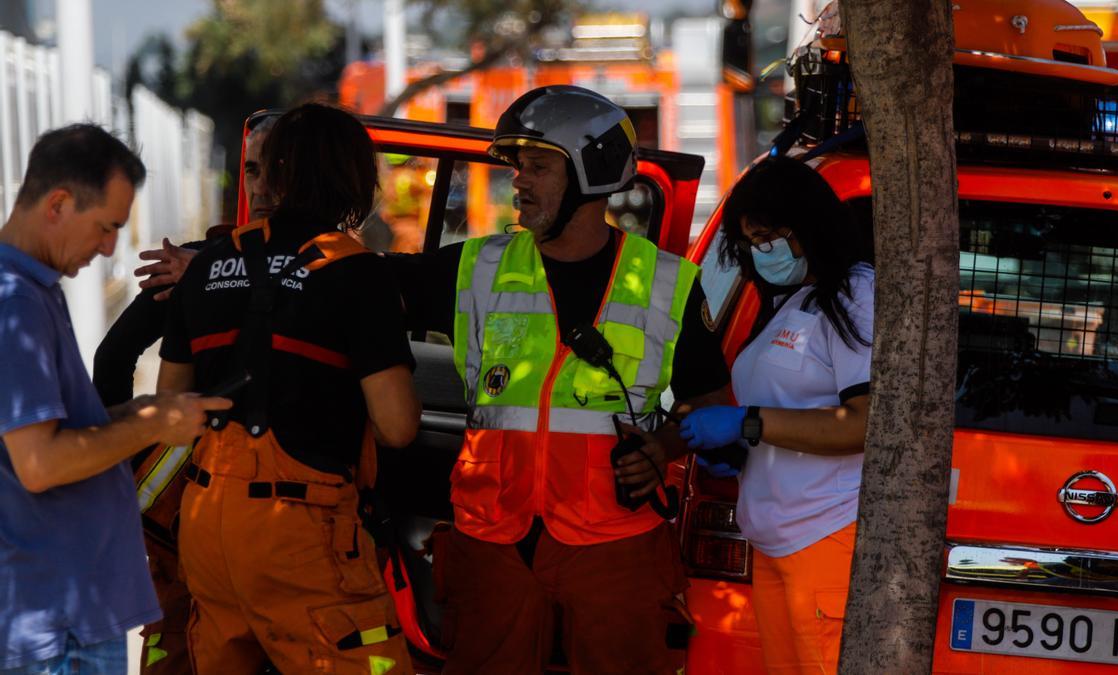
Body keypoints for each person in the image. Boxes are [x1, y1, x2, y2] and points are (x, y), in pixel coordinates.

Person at [392, 85, 731, 674]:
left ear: (592, 170)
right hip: (491, 539)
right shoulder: (476, 266)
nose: (519, 180)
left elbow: (710, 403)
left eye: (539, 165)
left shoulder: (669, 284)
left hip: (615, 546)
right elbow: (354, 287)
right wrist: (229, 261)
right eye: (518, 166)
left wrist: (664, 446)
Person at [156, 103, 422, 674]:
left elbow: (171, 410)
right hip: (300, 535)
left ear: (276, 172)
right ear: (350, 178)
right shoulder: (359, 272)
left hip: (206, 528)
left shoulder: (206, 266)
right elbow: (398, 427)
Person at [0, 124, 232, 674]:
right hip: (55, 632)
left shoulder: (32, 292)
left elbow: (49, 438)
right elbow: (41, 462)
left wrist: (138, 412)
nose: (109, 249)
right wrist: (152, 423)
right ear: (57, 203)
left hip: (64, 619)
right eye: (106, 228)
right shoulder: (15, 304)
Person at [92, 114, 276, 675]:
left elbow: (112, 359)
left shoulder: (201, 261)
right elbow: (112, 359)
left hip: (188, 510)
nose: (261, 187)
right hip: (278, 517)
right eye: (251, 170)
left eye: (276, 171)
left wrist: (122, 471)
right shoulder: (341, 267)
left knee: (178, 641)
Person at [679, 156, 874, 674]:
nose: (759, 251)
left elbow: (866, 422)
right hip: (775, 541)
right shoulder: (793, 302)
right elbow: (797, 409)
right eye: (750, 240)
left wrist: (749, 423)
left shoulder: (856, 295)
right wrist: (743, 453)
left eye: (768, 236)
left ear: (808, 224)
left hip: (827, 536)